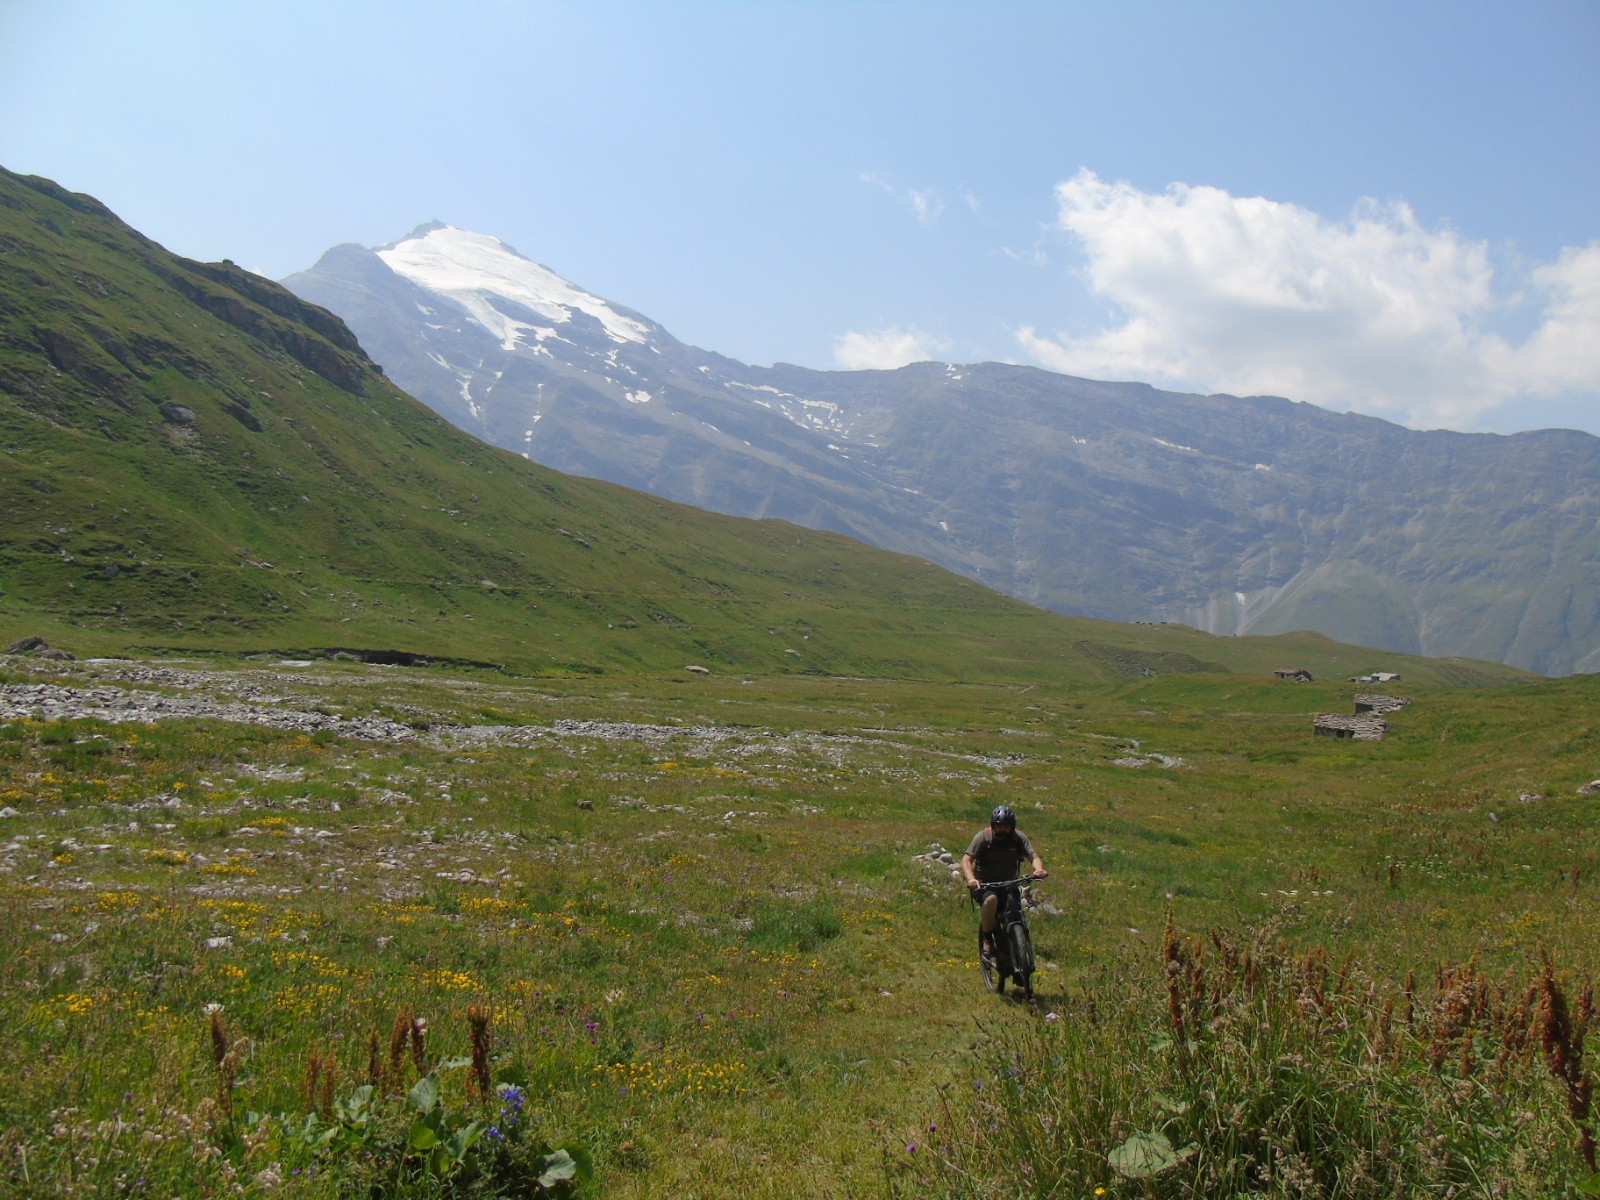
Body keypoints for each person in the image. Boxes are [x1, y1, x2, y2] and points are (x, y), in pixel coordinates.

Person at [961, 804, 1047, 959]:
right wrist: (971, 879)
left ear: (1012, 826)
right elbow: (966, 860)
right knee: (991, 900)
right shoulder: (983, 837)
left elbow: (1033, 856)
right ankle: (987, 939)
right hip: (984, 884)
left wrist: (1038, 870)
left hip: (1009, 884)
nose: (1003, 829)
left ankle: (1018, 948)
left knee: (1015, 911)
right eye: (999, 826)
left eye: (1006, 826)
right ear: (993, 825)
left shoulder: (1018, 838)